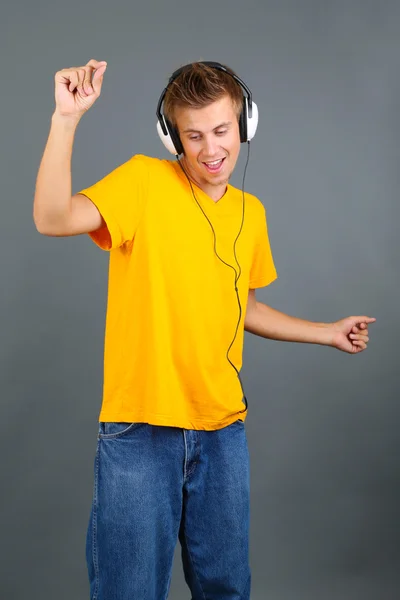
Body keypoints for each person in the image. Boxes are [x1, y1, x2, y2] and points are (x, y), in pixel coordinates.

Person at [33, 58, 376, 600]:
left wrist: (327, 332)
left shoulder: (250, 213)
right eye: (193, 136)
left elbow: (242, 308)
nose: (211, 149)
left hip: (222, 432)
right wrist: (66, 119)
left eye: (221, 130)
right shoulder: (143, 182)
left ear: (245, 125)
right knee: (129, 591)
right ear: (173, 137)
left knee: (226, 591)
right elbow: (51, 218)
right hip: (141, 430)